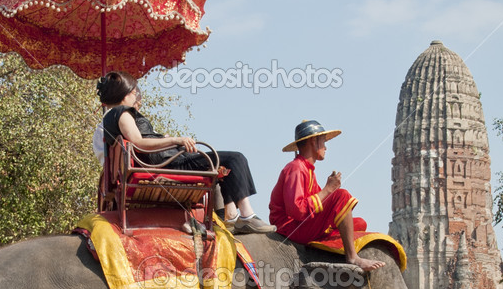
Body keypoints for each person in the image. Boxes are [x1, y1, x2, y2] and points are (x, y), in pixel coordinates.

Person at [95, 71, 274, 234]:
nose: (136, 98)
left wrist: (161, 138)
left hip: (162, 159)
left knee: (223, 163)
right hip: (167, 162)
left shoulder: (111, 117)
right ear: (125, 94)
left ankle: (232, 215)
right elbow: (138, 142)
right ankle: (246, 215)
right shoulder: (122, 113)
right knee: (235, 159)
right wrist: (176, 140)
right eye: (134, 93)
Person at [269, 120, 384, 272]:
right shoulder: (296, 168)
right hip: (290, 228)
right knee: (341, 195)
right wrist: (329, 189)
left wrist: (327, 191)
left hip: (304, 224)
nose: (325, 147)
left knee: (359, 223)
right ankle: (352, 257)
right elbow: (296, 210)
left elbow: (317, 204)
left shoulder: (308, 170)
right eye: (323, 142)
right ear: (313, 141)